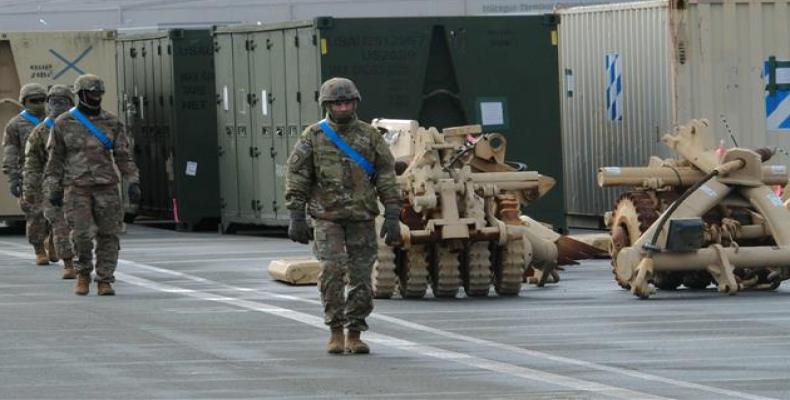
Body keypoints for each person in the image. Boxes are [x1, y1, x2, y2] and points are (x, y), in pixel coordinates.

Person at [285, 77, 402, 354]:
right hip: (327, 217)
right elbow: (298, 175)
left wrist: (393, 213)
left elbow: (386, 174)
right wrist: (296, 215)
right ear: (327, 105)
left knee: (361, 277)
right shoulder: (313, 136)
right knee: (332, 271)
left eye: (347, 102)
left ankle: (355, 332)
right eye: (337, 103)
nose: (343, 107)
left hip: (361, 216)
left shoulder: (370, 136)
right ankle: (335, 330)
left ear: (356, 103)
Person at [44, 74, 141, 296]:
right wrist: (54, 188)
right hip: (76, 188)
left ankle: (105, 279)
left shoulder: (112, 122)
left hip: (106, 187)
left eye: (99, 94)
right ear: (80, 94)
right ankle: (83, 274)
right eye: (91, 93)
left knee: (109, 234)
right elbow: (55, 160)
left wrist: (133, 182)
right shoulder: (63, 123)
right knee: (81, 235)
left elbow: (124, 156)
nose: (96, 98)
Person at [24, 84, 77, 279]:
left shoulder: (81, 127)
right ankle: (69, 263)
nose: (58, 105)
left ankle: (60, 247)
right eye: (54, 101)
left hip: (78, 185)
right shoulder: (39, 132)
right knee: (60, 224)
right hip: (51, 186)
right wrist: (29, 190)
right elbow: (32, 164)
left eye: (63, 101)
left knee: (79, 227)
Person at [3, 82, 53, 265]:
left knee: (58, 212)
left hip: (55, 173)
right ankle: (39, 248)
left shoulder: (55, 120)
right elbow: (10, 151)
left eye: (42, 100)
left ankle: (53, 241)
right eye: (34, 100)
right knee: (34, 213)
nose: (39, 104)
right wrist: (13, 177)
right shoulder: (15, 124)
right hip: (30, 174)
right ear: (24, 101)